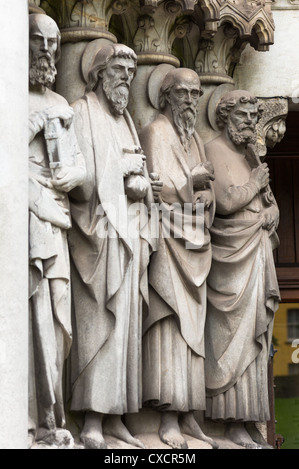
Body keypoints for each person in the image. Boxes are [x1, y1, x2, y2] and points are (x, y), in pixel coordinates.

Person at [68, 43, 156, 449]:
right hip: (99, 239)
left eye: (131, 73)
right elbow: (82, 181)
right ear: (99, 73)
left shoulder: (126, 122)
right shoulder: (82, 111)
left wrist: (144, 187)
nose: (126, 79)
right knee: (99, 327)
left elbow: (137, 172)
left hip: (130, 235)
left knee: (126, 331)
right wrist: (121, 170)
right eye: (119, 70)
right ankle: (90, 420)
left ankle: (117, 414)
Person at [139, 68, 217, 449]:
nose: (190, 100)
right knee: (170, 323)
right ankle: (166, 418)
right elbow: (156, 187)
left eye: (195, 93)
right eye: (183, 93)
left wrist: (204, 195)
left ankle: (189, 416)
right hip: (169, 242)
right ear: (165, 95)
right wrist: (193, 184)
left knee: (193, 335)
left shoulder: (196, 140)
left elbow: (207, 190)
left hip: (196, 243)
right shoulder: (155, 132)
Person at [204, 90, 280, 449]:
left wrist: (269, 213)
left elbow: (271, 205)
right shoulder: (213, 149)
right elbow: (225, 200)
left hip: (256, 251)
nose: (250, 123)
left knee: (254, 341)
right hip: (230, 260)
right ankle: (228, 424)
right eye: (244, 116)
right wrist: (255, 184)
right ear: (224, 117)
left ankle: (249, 421)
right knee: (230, 338)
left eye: (254, 116)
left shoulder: (250, 155)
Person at [28, 13, 86, 446]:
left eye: (53, 42)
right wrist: (36, 122)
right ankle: (37, 418)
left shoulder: (63, 103)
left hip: (58, 217)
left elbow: (79, 166)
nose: (46, 50)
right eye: (37, 40)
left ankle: (54, 415)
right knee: (34, 315)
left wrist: (73, 176)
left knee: (59, 313)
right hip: (29, 218)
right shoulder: (10, 99)